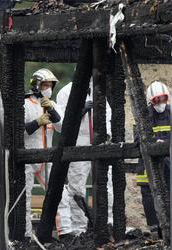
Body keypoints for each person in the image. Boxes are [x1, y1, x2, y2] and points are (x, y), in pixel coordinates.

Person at [56, 79, 113, 244]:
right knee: (77, 188)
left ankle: (107, 223)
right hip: (78, 143)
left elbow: (108, 115)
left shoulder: (98, 89)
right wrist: (80, 111)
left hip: (99, 143)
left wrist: (107, 136)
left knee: (107, 184)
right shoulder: (66, 92)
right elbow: (60, 123)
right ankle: (79, 229)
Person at [24, 68, 62, 240]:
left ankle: (65, 231)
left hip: (46, 158)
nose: (48, 88)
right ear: (36, 85)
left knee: (60, 193)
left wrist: (52, 111)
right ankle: (25, 235)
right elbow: (18, 131)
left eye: (50, 85)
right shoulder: (25, 103)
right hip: (28, 156)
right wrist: (37, 122)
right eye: (45, 84)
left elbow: (62, 127)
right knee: (25, 198)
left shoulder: (51, 104)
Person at [135, 80, 171, 239]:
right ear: (151, 100)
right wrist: (153, 143)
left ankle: (169, 229)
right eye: (156, 100)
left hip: (169, 162)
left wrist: (167, 144)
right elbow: (138, 138)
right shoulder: (144, 115)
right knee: (148, 195)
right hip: (147, 163)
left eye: (162, 98)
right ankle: (155, 230)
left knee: (170, 193)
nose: (160, 103)